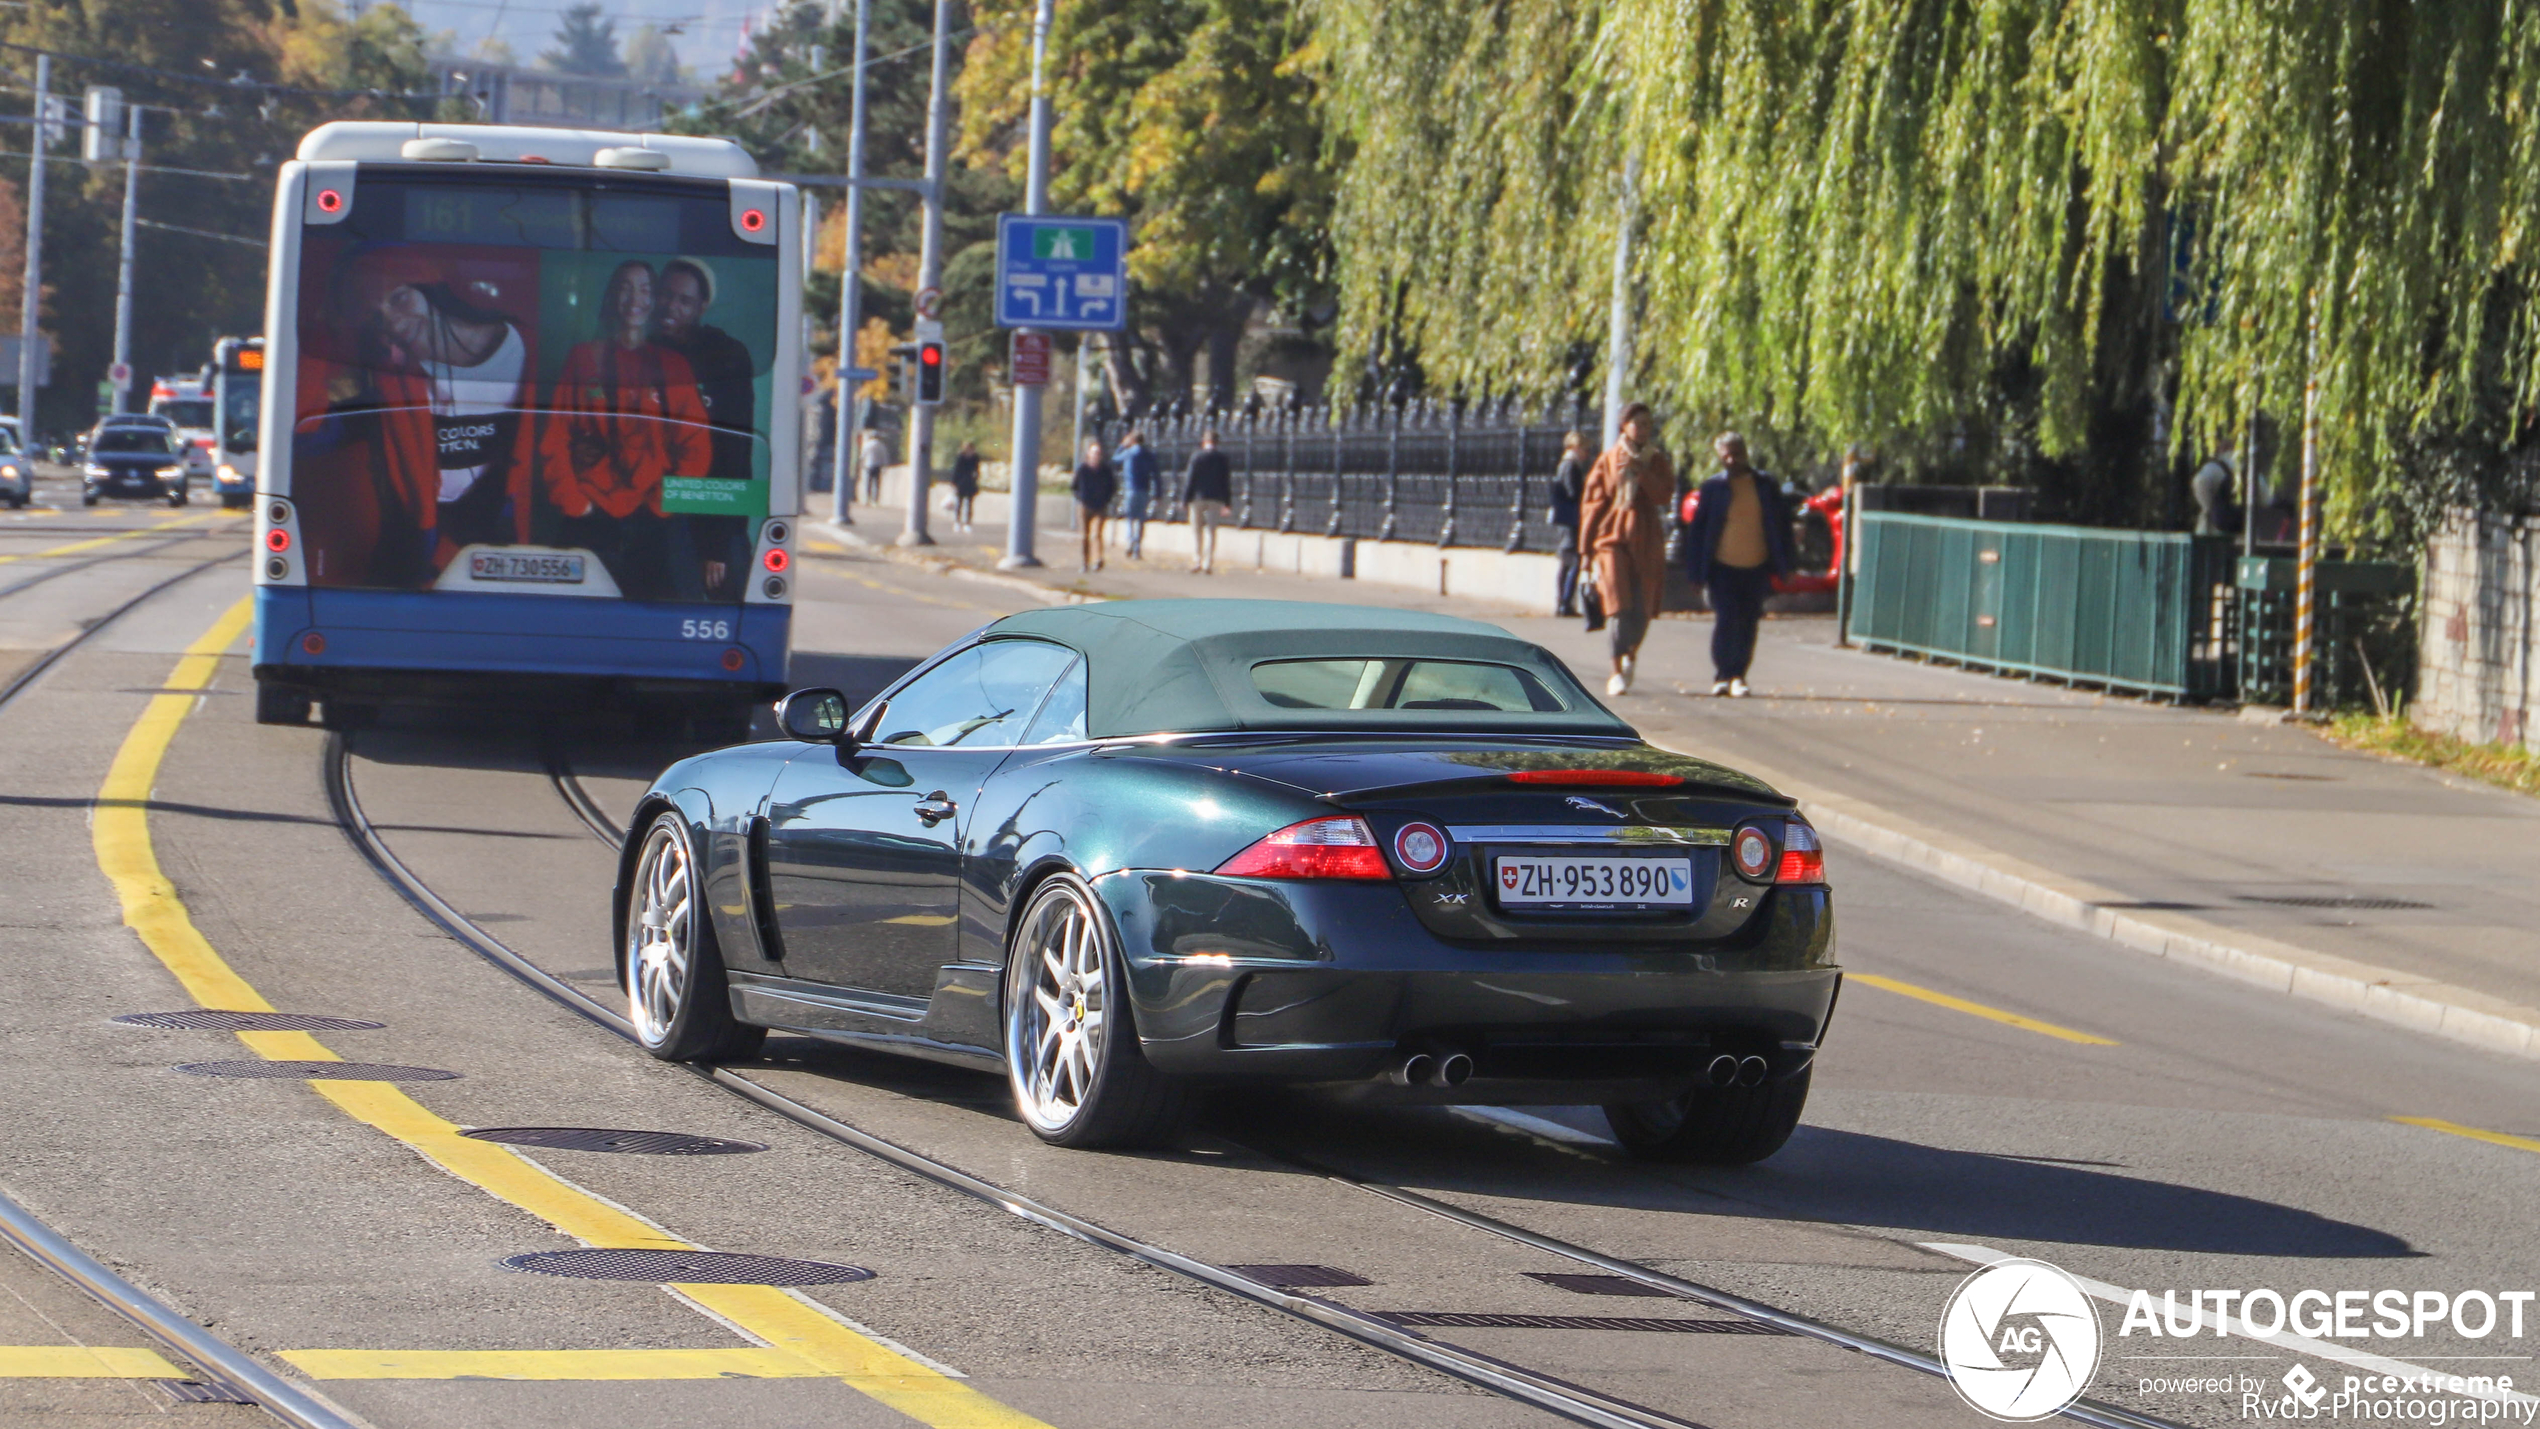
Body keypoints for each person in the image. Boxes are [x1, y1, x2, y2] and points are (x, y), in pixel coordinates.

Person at [295, 249, 542, 588]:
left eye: (399, 298)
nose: (394, 324)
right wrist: (323, 332)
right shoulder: (389, 376)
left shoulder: (528, 348)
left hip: (495, 542)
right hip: (415, 548)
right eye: (377, 317)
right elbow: (306, 433)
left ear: (432, 289)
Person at [538, 260, 713, 601]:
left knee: (651, 624)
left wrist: (661, 505)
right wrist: (574, 502)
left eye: (645, 288)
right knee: (572, 621)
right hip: (589, 517)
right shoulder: (583, 359)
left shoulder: (673, 367)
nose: (635, 298)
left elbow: (696, 447)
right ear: (612, 297)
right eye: (625, 287)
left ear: (654, 300)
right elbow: (555, 437)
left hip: (652, 523)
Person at [653, 258, 758, 597]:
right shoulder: (640, 351)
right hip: (650, 509)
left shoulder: (725, 356)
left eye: (683, 301)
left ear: (702, 307)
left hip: (708, 512)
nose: (671, 306)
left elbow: (734, 451)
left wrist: (716, 547)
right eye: (665, 296)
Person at [1682, 431, 1795, 698]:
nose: (1732, 460)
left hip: (1756, 566)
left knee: (1748, 622)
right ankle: (1722, 674)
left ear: (1745, 453)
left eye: (1737, 453)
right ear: (1720, 457)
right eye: (1726, 455)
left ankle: (1739, 676)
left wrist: (1787, 564)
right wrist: (1696, 572)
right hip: (1722, 567)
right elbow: (1699, 532)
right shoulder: (1713, 488)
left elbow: (1781, 527)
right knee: (1726, 619)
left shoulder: (1765, 485)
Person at [1577, 404, 1677, 697]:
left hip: (1646, 539)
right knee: (1618, 605)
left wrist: (1643, 473)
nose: (1643, 429)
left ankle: (1631, 652)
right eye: (1638, 424)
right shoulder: (1608, 460)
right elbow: (1593, 505)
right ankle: (1615, 670)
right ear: (1624, 426)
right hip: (1611, 540)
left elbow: (1664, 494)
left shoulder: (1655, 460)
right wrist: (1585, 552)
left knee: (1642, 609)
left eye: (1648, 424)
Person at [1549, 429, 1589, 617]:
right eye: (1583, 448)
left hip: (1564, 518)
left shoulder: (1563, 464)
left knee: (1566, 561)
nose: (1586, 453)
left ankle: (1562, 602)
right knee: (1573, 560)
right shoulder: (1571, 466)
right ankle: (1565, 603)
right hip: (1571, 519)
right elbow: (1574, 492)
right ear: (1574, 447)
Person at [1182, 429, 1234, 574]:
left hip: (1197, 498)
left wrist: (1185, 499)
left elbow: (1190, 479)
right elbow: (1226, 481)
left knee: (1196, 531)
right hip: (1215, 498)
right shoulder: (1222, 458)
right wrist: (1227, 502)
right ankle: (1208, 563)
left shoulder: (1197, 456)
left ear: (1204, 441)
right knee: (1211, 531)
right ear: (1217, 443)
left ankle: (1197, 560)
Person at [1072, 438, 1116, 572]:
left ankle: (1098, 559)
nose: (1096, 456)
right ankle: (1084, 562)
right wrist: (1081, 498)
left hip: (1100, 506)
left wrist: (1106, 499)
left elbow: (1112, 487)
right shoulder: (1082, 469)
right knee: (1084, 535)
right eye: (1094, 453)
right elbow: (1074, 486)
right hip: (1085, 506)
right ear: (1089, 454)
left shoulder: (1106, 470)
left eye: (1098, 453)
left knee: (1096, 534)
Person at [1116, 428, 1156, 558]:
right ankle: (1137, 547)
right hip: (1144, 489)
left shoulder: (1128, 453)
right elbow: (1156, 474)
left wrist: (1122, 445)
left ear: (1132, 440)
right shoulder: (1149, 454)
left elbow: (1115, 459)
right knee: (1140, 519)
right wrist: (1158, 492)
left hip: (1130, 489)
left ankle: (1130, 542)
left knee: (1130, 518)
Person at [948, 440, 981, 532]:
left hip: (970, 482)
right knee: (959, 503)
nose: (969, 450)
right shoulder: (960, 457)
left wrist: (976, 478)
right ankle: (957, 522)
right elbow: (956, 470)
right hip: (961, 482)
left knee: (969, 504)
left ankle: (967, 523)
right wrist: (953, 483)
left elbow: (977, 469)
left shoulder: (975, 457)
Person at [862, 427, 889, 504]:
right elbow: (884, 456)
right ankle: (875, 500)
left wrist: (861, 464)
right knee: (876, 484)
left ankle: (867, 499)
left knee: (868, 483)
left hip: (869, 465)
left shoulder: (867, 444)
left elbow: (863, 455)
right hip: (877, 466)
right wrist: (885, 466)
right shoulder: (881, 445)